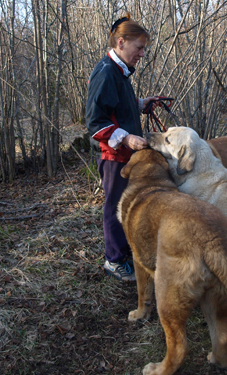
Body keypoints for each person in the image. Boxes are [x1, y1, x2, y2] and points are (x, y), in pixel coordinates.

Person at [86, 14, 158, 281]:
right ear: (121, 42)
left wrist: (140, 104)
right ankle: (114, 260)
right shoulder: (106, 73)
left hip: (126, 157)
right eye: (138, 48)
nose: (141, 53)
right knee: (115, 207)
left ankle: (125, 252)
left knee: (126, 205)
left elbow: (116, 108)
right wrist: (127, 138)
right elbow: (95, 123)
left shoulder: (120, 72)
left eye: (143, 49)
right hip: (114, 157)